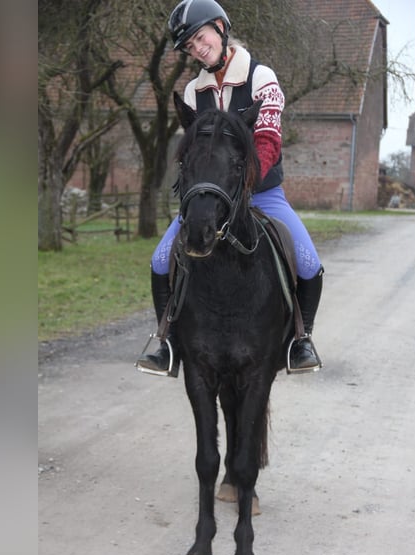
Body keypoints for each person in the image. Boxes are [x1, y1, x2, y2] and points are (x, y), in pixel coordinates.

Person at [136, 0, 324, 376]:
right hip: (208, 199)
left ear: (220, 28)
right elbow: (191, 153)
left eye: (200, 38)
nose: (197, 48)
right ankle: (166, 340)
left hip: (263, 193)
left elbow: (268, 140)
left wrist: (246, 185)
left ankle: (301, 340)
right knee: (160, 260)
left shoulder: (261, 77)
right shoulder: (192, 92)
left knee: (308, 263)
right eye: (189, 46)